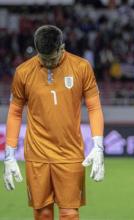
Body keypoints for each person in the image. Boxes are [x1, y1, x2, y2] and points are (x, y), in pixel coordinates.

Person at [3, 25, 105, 220]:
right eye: (43, 58)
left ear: (62, 47)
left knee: (69, 214)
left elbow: (94, 107)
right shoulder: (23, 72)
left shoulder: (81, 67)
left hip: (70, 153)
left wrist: (99, 146)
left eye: (52, 58)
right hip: (37, 154)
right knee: (42, 213)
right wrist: (9, 155)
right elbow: (15, 112)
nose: (48, 63)